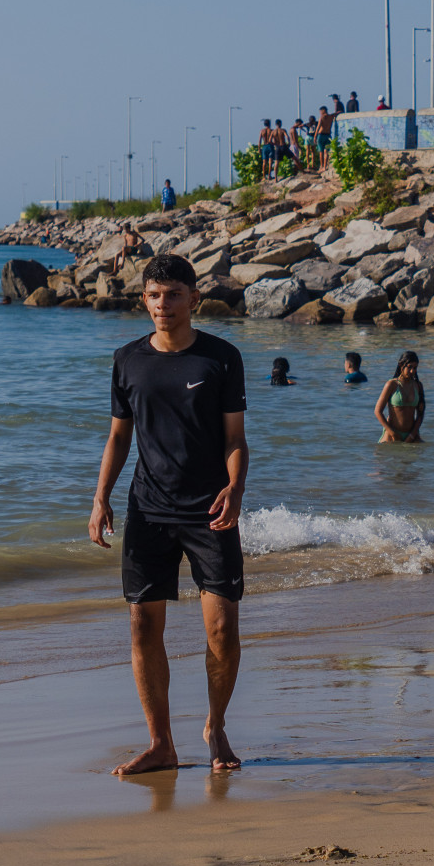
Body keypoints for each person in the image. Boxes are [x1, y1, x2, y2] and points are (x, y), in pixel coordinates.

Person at [88, 254, 248, 775]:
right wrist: (100, 497)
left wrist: (235, 489)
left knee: (222, 628)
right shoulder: (127, 359)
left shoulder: (221, 358)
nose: (164, 305)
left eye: (174, 294)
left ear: (194, 299)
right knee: (141, 628)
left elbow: (235, 439)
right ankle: (161, 744)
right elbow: (118, 435)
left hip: (210, 510)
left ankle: (215, 726)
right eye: (155, 296)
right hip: (148, 508)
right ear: (144, 300)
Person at [374, 351, 426, 443]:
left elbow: (420, 414)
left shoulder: (418, 386)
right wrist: (393, 433)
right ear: (401, 365)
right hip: (392, 434)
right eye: (409, 367)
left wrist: (412, 435)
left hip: (412, 434)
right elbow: (378, 411)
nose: (412, 371)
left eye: (415, 368)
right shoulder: (391, 384)